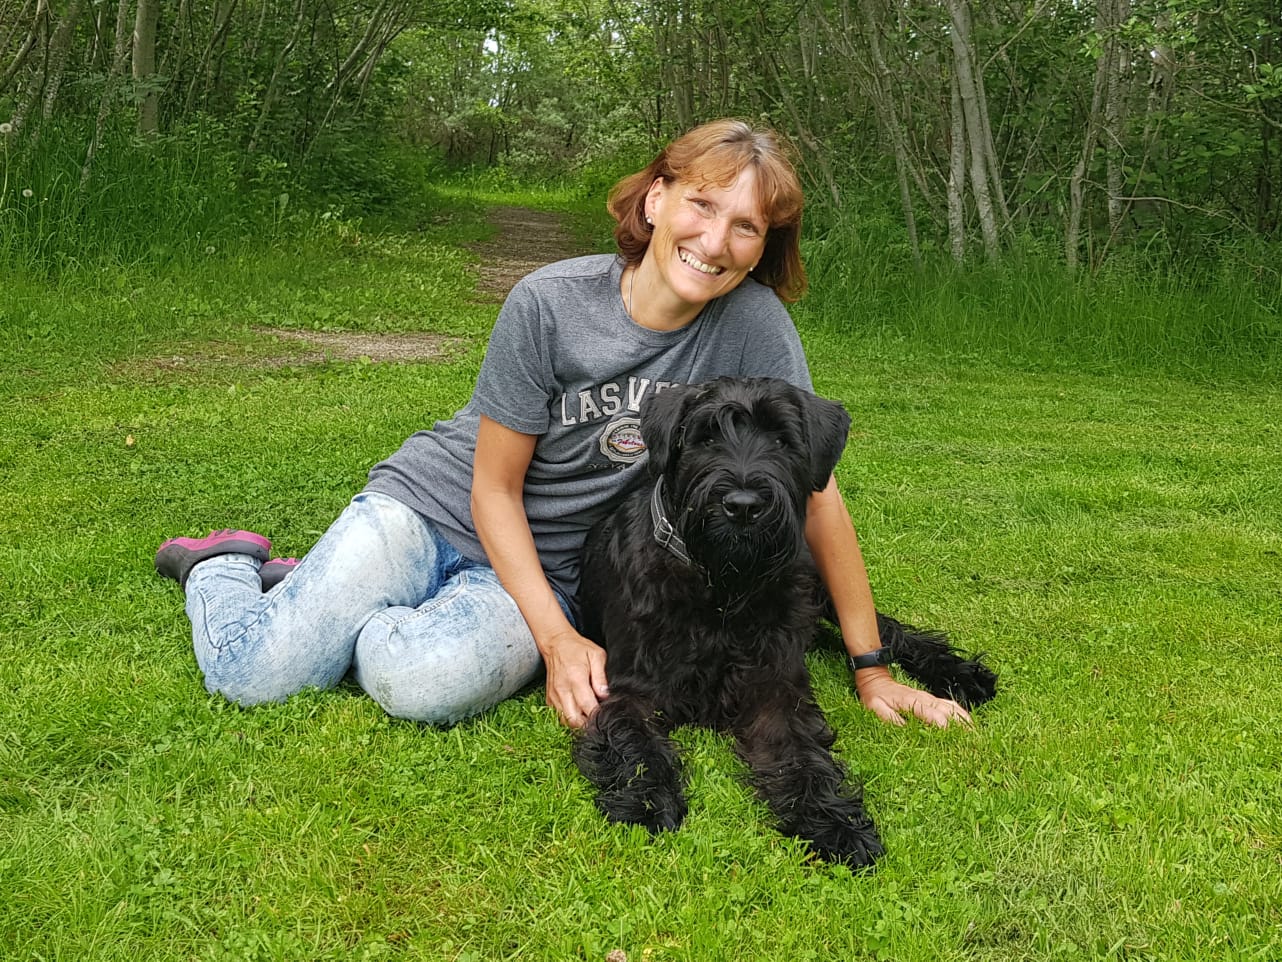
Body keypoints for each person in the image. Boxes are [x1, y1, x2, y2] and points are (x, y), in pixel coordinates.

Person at [155, 118, 972, 730]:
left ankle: (323, 595)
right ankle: (222, 565)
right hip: (431, 509)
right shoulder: (549, 303)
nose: (715, 240)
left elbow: (817, 496)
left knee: (423, 683)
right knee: (252, 676)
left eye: (746, 226)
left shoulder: (755, 327)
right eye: (702, 204)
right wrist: (556, 643)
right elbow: (492, 488)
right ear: (656, 198)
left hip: (537, 571)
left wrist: (871, 670)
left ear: (762, 247)